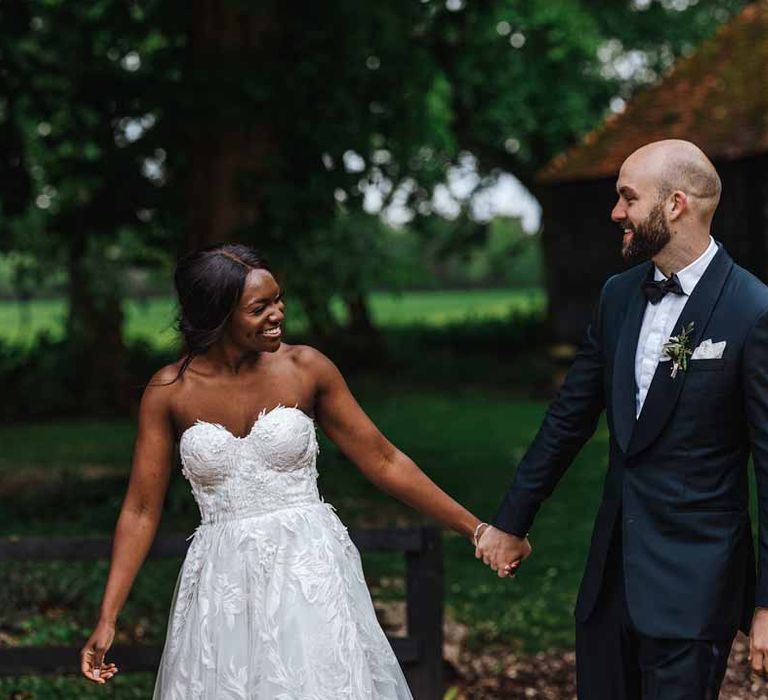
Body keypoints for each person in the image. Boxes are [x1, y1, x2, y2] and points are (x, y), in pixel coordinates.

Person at [79, 244, 506, 698]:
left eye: (278, 299)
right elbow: (142, 510)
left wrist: (475, 529)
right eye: (259, 307)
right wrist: (108, 616)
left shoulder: (306, 369)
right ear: (217, 314)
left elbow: (384, 460)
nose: (278, 313)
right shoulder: (169, 392)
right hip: (222, 587)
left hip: (309, 571)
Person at [475, 139, 768, 698]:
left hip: (694, 586)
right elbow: (568, 418)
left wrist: (767, 606)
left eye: (627, 198)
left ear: (675, 204)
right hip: (610, 582)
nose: (615, 213)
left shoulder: (753, 311)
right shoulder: (618, 297)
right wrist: (512, 522)